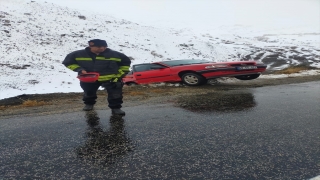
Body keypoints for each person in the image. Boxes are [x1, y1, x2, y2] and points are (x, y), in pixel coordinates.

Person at [62, 39, 131, 115]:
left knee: (115, 93)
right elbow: (68, 62)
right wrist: (79, 69)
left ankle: (116, 108)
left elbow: (126, 63)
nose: (102, 48)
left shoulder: (116, 54)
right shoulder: (78, 54)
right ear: (90, 46)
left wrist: (121, 73)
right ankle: (89, 104)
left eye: (104, 46)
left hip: (111, 78)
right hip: (89, 78)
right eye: (98, 46)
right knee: (89, 92)